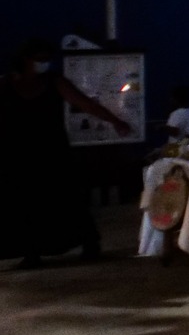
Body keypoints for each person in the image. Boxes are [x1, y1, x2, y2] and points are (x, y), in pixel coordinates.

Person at [1, 40, 132, 267]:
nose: (44, 64)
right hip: (20, 154)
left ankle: (89, 243)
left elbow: (85, 104)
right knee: (25, 202)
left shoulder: (54, 82)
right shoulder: (6, 86)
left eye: (46, 59)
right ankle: (32, 252)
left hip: (53, 151)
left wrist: (115, 121)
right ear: (25, 60)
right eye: (39, 59)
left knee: (67, 198)